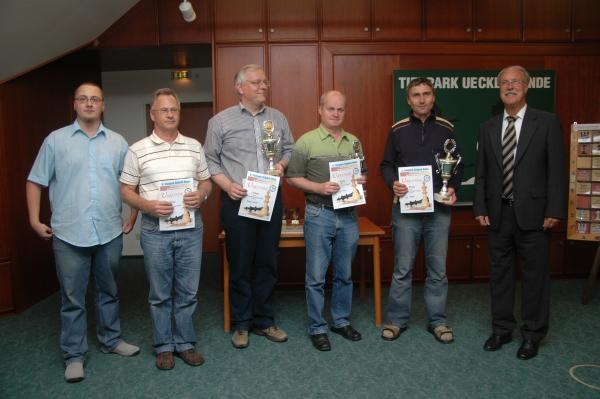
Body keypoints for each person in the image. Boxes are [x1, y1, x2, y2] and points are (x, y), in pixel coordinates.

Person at [26, 82, 140, 383]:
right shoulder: (55, 141)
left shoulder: (117, 143)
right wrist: (34, 220)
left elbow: (129, 184)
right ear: (74, 104)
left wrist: (133, 214)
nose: (89, 104)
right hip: (68, 233)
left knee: (109, 291)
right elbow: (35, 180)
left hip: (108, 231)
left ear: (103, 105)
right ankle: (74, 355)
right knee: (72, 298)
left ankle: (111, 340)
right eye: (83, 99)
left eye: (95, 100)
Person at [474, 65, 566, 360]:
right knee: (499, 275)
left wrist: (554, 208)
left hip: (536, 215)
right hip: (498, 214)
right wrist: (480, 207)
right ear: (499, 88)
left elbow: (557, 171)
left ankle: (532, 334)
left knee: (534, 277)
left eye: (515, 82)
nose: (510, 87)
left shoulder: (547, 122)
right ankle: (501, 329)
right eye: (504, 82)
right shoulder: (488, 126)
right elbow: (483, 173)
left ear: (527, 87)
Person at [120, 88, 212, 370]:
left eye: (174, 109)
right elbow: (125, 190)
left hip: (190, 228)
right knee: (160, 293)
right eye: (164, 110)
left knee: (187, 291)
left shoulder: (195, 146)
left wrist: (202, 195)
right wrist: (147, 205)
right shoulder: (137, 149)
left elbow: (206, 181)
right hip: (154, 230)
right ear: (153, 115)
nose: (170, 114)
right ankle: (163, 346)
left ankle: (184, 343)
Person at [204, 64, 294, 349]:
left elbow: (289, 149)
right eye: (256, 82)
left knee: (267, 261)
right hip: (237, 199)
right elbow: (209, 160)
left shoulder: (278, 118)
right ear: (240, 87)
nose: (263, 87)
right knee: (240, 263)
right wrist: (227, 185)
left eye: (265, 82)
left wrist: (281, 164)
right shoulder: (221, 121)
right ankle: (241, 324)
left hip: (270, 198)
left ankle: (265, 320)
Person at [380, 77, 463, 344]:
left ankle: (438, 322)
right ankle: (396, 320)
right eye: (416, 95)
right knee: (402, 268)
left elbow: (457, 166)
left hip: (438, 210)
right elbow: (385, 164)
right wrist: (393, 182)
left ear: (433, 97)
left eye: (426, 94)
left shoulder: (447, 129)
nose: (422, 99)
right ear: (408, 100)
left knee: (437, 269)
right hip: (406, 211)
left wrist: (453, 188)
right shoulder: (398, 130)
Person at [287, 90, 366, 352]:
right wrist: (319, 188)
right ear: (320, 110)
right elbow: (292, 177)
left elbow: (362, 172)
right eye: (331, 109)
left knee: (345, 275)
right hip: (319, 214)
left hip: (349, 216)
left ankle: (341, 321)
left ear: (345, 112)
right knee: (316, 277)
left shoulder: (354, 141)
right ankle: (317, 327)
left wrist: (361, 180)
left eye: (340, 110)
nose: (335, 114)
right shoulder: (306, 142)